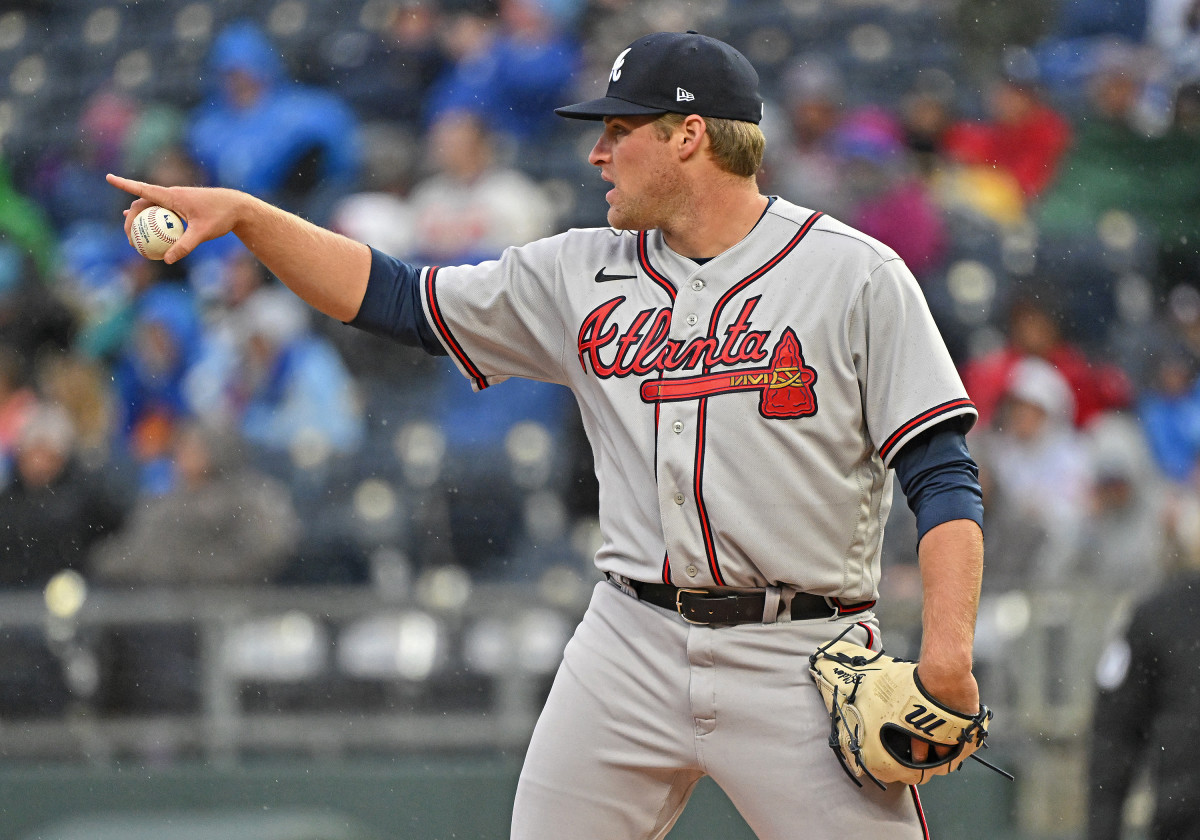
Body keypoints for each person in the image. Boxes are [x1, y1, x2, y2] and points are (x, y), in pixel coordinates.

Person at [108, 31, 986, 839]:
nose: (597, 151)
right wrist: (254, 219)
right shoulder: (579, 270)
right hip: (630, 640)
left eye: (619, 130)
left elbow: (942, 474)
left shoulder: (854, 276)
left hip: (801, 651)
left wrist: (947, 655)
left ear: (689, 135)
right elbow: (397, 299)